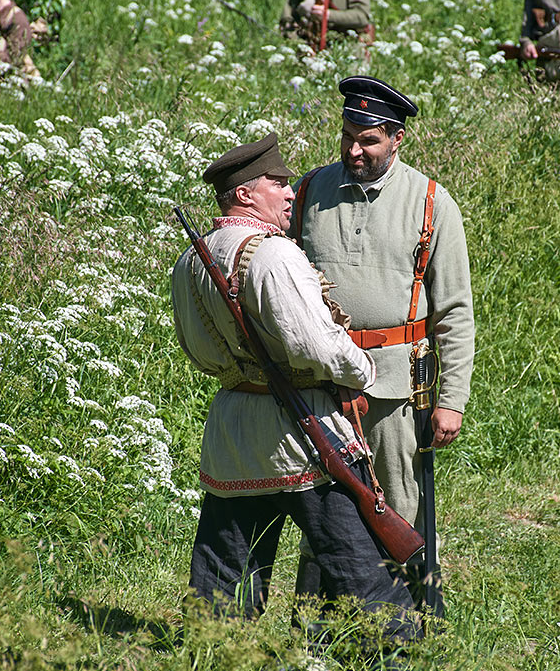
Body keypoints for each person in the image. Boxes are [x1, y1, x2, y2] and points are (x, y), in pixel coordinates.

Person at [170, 133, 419, 645]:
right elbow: (319, 347)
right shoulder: (273, 256)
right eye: (277, 183)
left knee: (226, 561)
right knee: (354, 554)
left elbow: (196, 351)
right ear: (245, 194)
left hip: (233, 431)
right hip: (299, 432)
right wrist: (363, 371)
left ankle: (209, 651)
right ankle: (393, 651)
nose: (289, 193)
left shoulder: (190, 261)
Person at [289, 77, 475, 618]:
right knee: (323, 501)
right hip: (321, 385)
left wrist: (452, 399)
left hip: (395, 389)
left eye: (367, 140)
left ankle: (402, 620)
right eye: (348, 135)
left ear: (396, 139)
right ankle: (320, 622)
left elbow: (454, 311)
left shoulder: (431, 202)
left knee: (396, 503)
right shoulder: (309, 191)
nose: (353, 150)